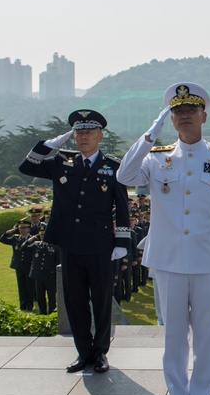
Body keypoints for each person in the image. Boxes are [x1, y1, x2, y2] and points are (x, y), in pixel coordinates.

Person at [117, 82, 210, 395]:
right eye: (177, 111)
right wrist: (148, 135)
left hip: (206, 261)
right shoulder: (156, 157)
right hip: (168, 260)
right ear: (169, 118)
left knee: (204, 337)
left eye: (190, 110)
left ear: (204, 115)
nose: (184, 116)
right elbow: (124, 175)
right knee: (172, 338)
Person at [19, 109, 131, 374]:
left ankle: (101, 352)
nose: (83, 137)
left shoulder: (114, 167)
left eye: (89, 132)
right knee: (75, 301)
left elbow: (123, 208)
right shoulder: (61, 161)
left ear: (100, 136)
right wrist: (49, 145)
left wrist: (121, 243)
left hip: (101, 244)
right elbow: (26, 167)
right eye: (79, 132)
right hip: (69, 243)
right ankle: (83, 352)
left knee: (102, 300)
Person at [0, 218, 36, 311]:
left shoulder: (33, 239)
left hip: (29, 266)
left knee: (29, 287)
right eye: (20, 228)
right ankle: (22, 306)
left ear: (29, 228)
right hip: (19, 266)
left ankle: (30, 306)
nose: (22, 230)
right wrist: (10, 231)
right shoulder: (15, 238)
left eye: (24, 228)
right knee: (21, 287)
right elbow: (2, 239)